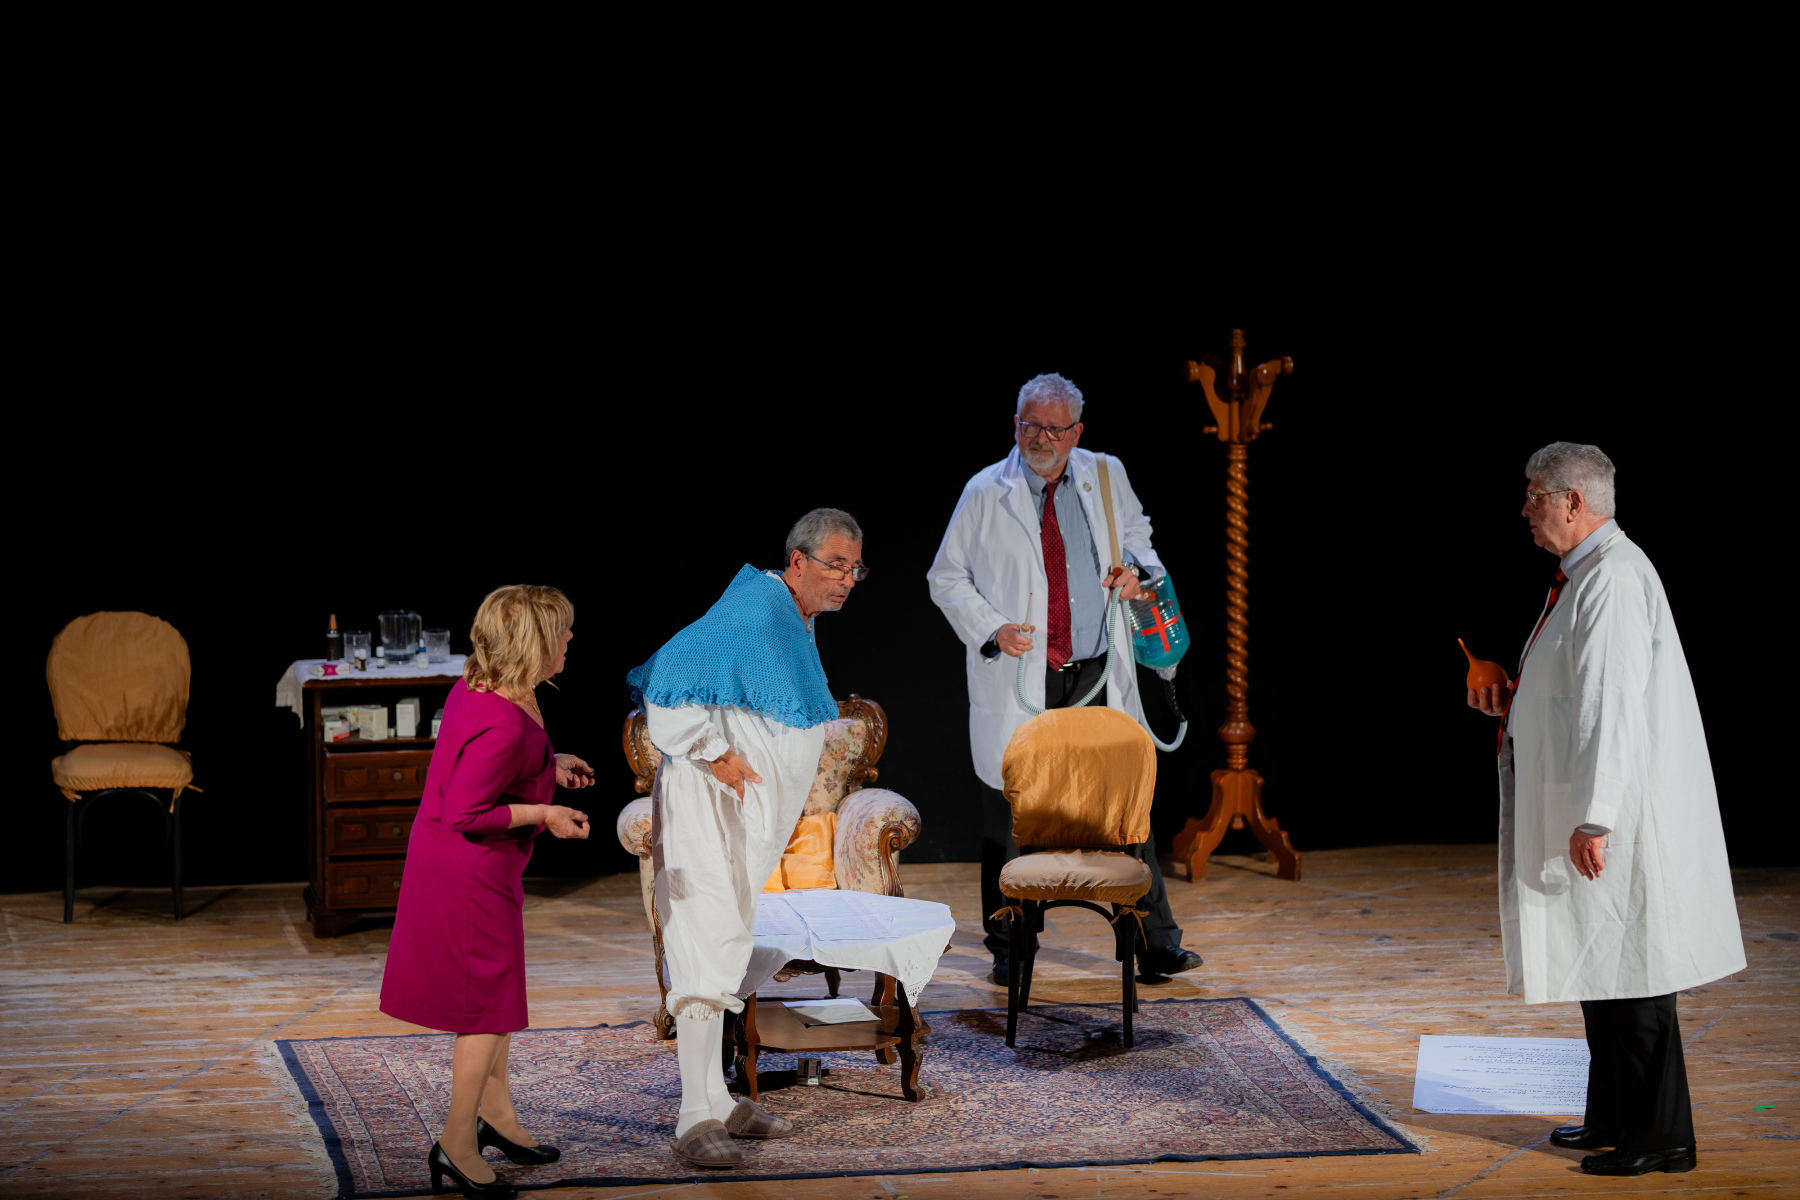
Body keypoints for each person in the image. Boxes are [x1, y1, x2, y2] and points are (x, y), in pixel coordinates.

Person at [1468, 443, 1743, 1178]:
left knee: (1634, 969)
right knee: (1603, 967)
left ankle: (1662, 1136)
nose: (1525, 510)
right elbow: (1575, 689)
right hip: (1589, 800)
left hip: (1615, 811)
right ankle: (1615, 1115)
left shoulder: (1615, 579)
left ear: (1573, 501)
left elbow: (1613, 704)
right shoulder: (1587, 575)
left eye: (1534, 496)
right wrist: (1514, 695)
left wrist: (1596, 815)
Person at [926, 373, 1201, 986]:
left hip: (1098, 670)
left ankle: (1154, 943)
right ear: (1015, 425)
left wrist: (1136, 572)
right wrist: (993, 627)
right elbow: (945, 577)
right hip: (1026, 675)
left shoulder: (1106, 474)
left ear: (1077, 432)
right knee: (1010, 813)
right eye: (1030, 425)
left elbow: (1139, 538)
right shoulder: (984, 491)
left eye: (1054, 429)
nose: (1041, 439)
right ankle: (1011, 947)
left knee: (1123, 805)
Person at [627, 508, 864, 1169]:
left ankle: (717, 1100)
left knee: (726, 946)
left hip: (740, 821)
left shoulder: (790, 618)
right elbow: (669, 681)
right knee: (704, 946)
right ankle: (693, 1117)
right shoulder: (758, 608)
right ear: (798, 561)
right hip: (708, 810)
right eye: (836, 565)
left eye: (856, 569)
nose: (847, 580)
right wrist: (713, 753)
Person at [380, 585, 595, 1200]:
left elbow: (493, 763)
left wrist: (548, 767)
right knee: (484, 1009)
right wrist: (544, 813)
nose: (570, 638)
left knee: (496, 1002)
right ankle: (455, 1143)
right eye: (562, 630)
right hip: (467, 877)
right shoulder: (502, 721)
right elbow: (466, 812)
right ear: (534, 643)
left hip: (473, 869)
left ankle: (496, 1118)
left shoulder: (491, 685)